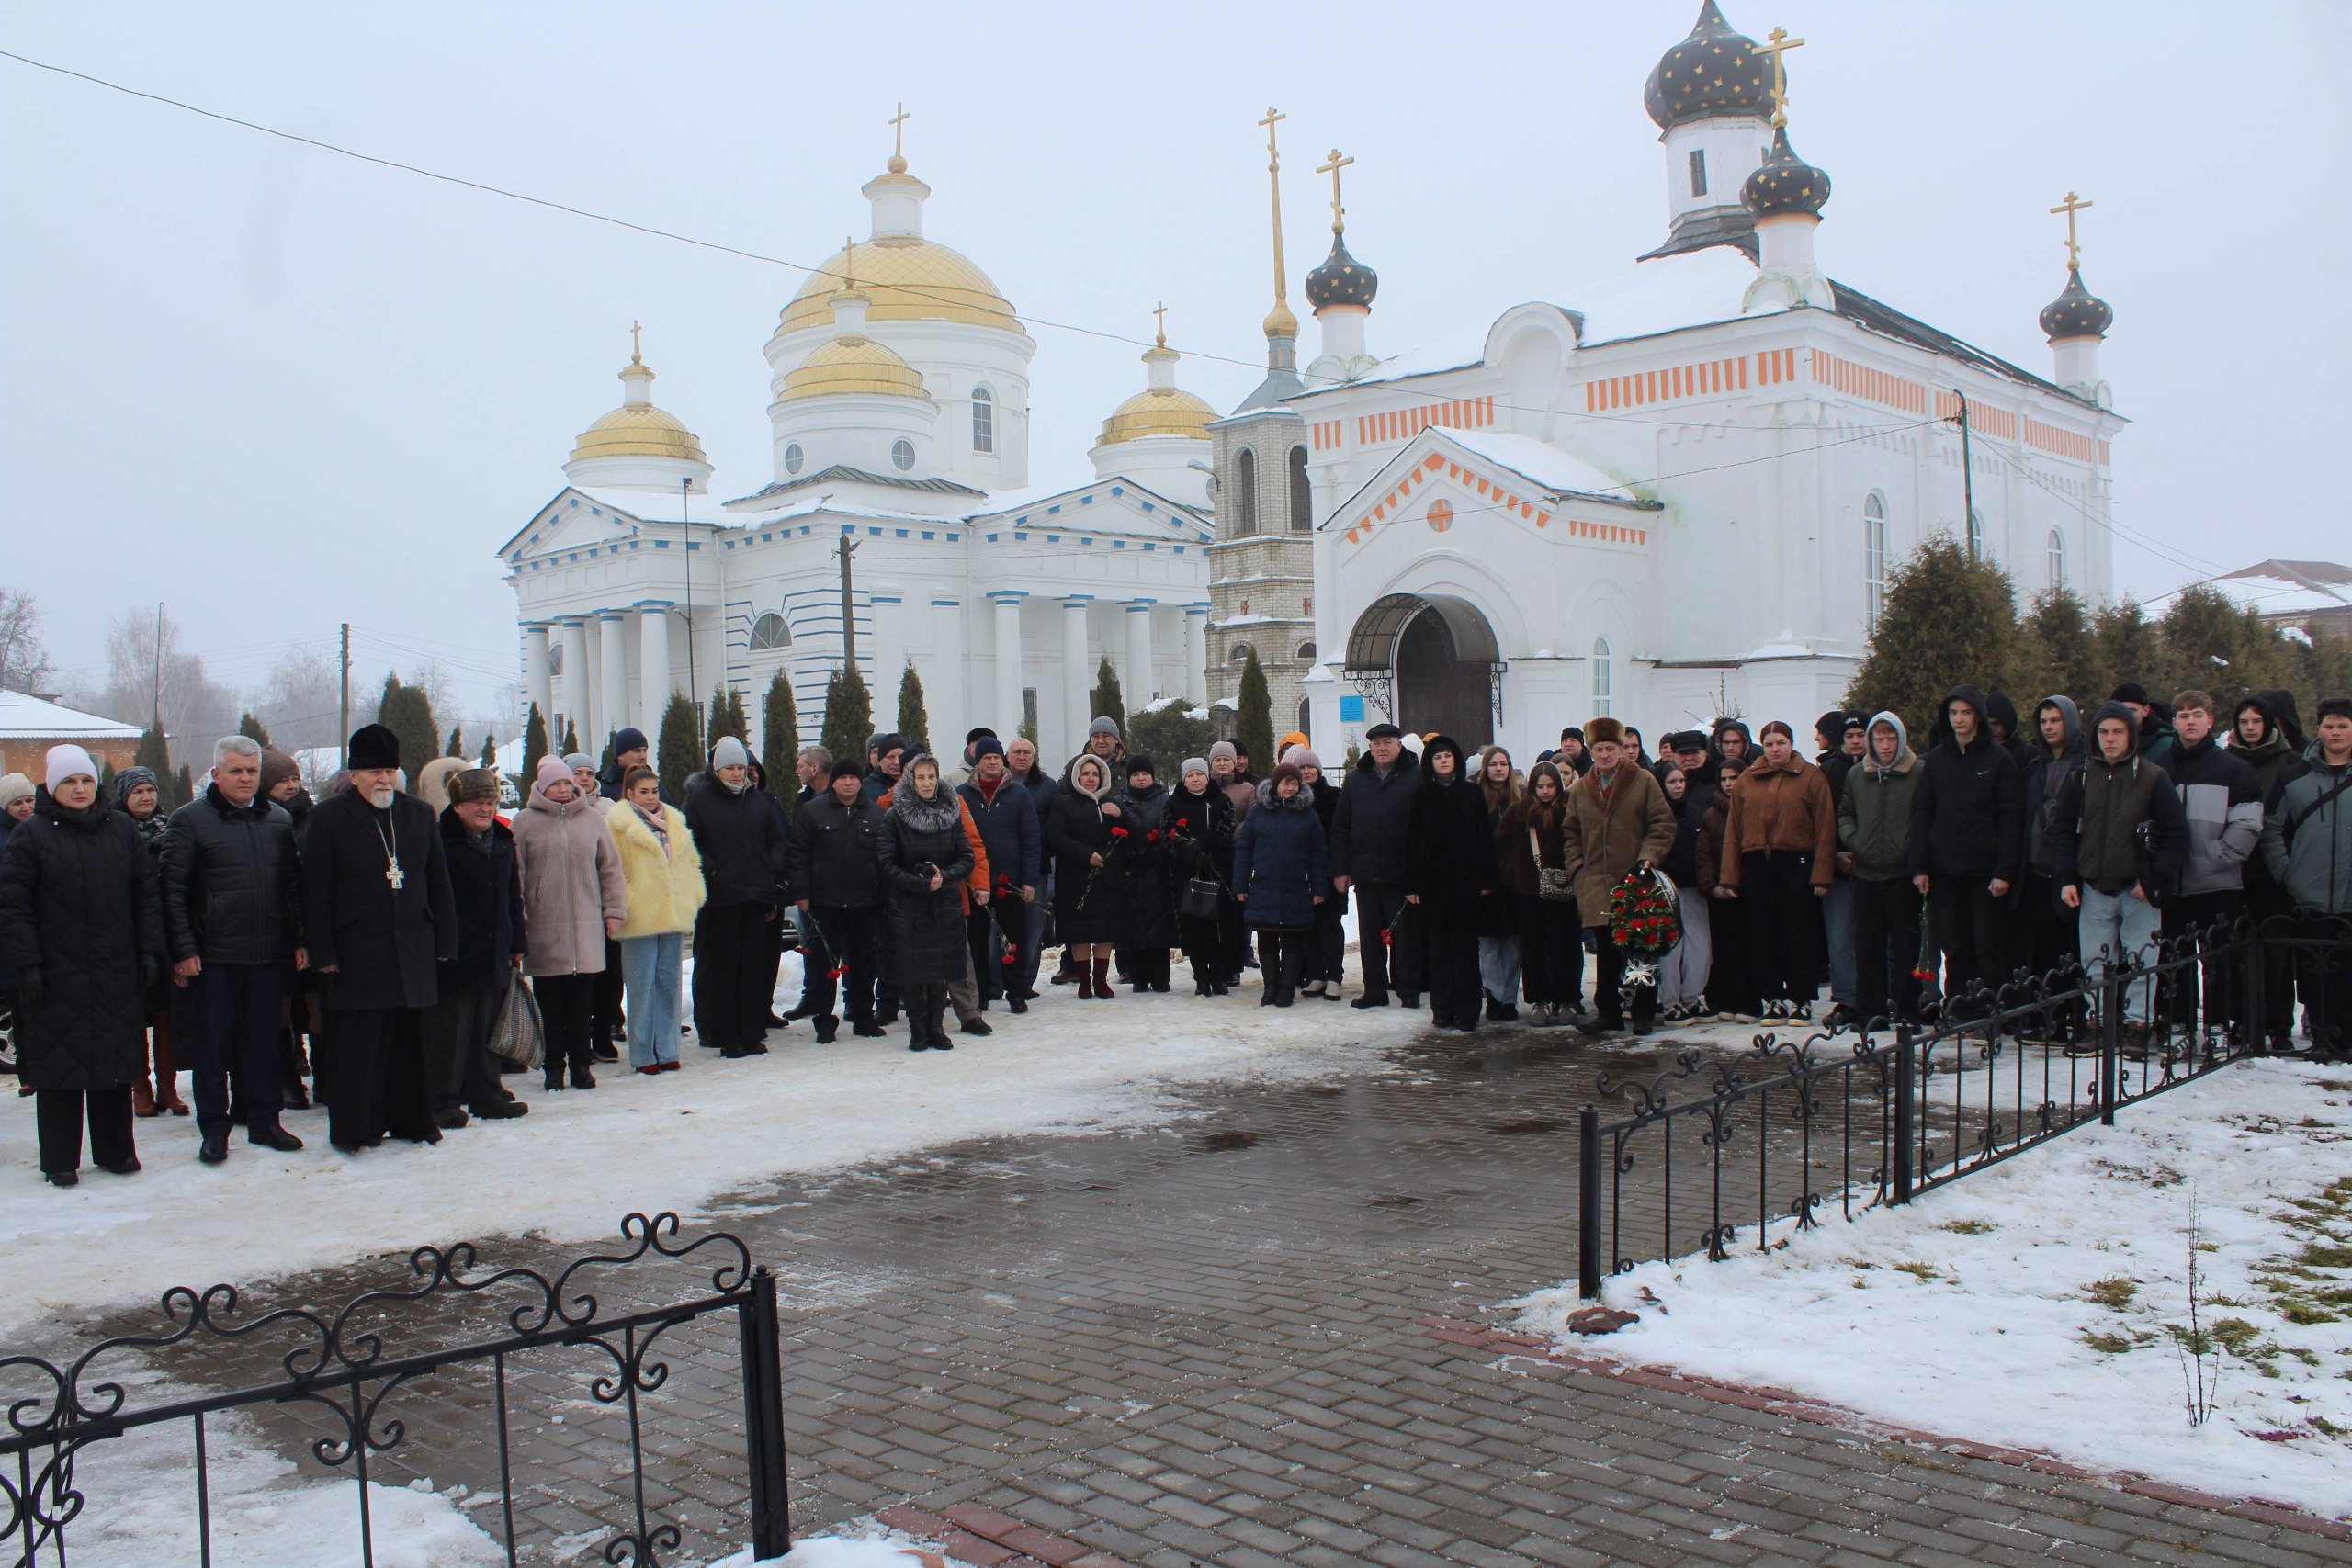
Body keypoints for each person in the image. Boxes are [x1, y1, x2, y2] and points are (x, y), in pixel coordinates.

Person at [0, 745, 165, 1185]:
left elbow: (145, 896)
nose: (79, 789)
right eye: (70, 782)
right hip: (56, 974)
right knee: (60, 1069)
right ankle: (59, 1160)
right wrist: (28, 965)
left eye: (86, 780)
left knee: (113, 1064)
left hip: (114, 969)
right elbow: (14, 907)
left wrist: (150, 951)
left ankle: (115, 1151)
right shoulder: (31, 835)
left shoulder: (121, 830)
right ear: (54, 786)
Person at [299, 724, 458, 1153]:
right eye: (373, 771)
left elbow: (437, 881)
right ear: (354, 775)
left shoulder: (418, 813)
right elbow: (315, 892)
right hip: (357, 952)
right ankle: (357, 1129)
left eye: (389, 769)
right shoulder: (329, 817)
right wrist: (324, 953)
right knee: (360, 1048)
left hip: (412, 949)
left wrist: (444, 943)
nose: (383, 779)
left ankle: (412, 1121)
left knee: (411, 1045)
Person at [159, 735, 309, 1163]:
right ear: (217, 774)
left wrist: (298, 938)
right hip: (213, 956)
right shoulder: (190, 821)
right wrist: (183, 949)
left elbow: (292, 887)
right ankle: (214, 1130)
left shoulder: (278, 821)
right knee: (213, 1047)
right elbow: (172, 890)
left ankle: (265, 1122)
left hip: (267, 955)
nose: (245, 778)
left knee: (264, 1044)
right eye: (237, 771)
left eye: (252, 771)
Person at [2051, 704, 2188, 1045]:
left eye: (2118, 732)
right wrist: (2066, 876)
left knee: (2142, 961)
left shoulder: (2154, 777)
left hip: (2138, 885)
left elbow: (2175, 832)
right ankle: (2098, 1023)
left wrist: (2156, 878)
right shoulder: (2081, 776)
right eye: (2103, 732)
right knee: (2095, 961)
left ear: (2131, 734)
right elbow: (2064, 830)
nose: (2110, 739)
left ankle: (2137, 1026)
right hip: (2094, 885)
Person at [1908, 685, 2024, 1015]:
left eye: (1966, 713)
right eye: (1953, 713)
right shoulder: (1933, 761)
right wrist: (1920, 867)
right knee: (1954, 945)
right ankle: (1959, 1006)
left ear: (1978, 716)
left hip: (1985, 871)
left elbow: (2010, 818)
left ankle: (1991, 1008)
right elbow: (1921, 815)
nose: (1959, 720)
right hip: (1945, 869)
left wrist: (2004, 870)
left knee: (1987, 943)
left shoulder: (1998, 760)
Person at [513, 755, 627, 1090]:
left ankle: (581, 1065)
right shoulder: (525, 822)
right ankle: (553, 1067)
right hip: (546, 930)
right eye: (556, 783)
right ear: (542, 787)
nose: (563, 789)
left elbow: (610, 868)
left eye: (567, 782)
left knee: (582, 1004)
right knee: (551, 1006)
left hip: (587, 928)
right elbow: (515, 877)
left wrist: (613, 911)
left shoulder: (591, 819)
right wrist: (519, 922)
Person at [1561, 718, 1678, 1037]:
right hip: (1597, 882)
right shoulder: (1582, 788)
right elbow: (1570, 833)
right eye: (1598, 749)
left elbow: (1662, 824)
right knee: (1608, 954)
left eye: (1610, 749)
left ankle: (1642, 1013)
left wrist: (1647, 859)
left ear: (1621, 750)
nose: (1604, 755)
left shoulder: (1643, 781)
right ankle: (1608, 1013)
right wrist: (1578, 868)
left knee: (1643, 949)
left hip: (1636, 880)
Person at [425, 766, 529, 1125]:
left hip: (494, 948)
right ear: (457, 806)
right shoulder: (440, 840)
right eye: (477, 803)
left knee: (489, 1027)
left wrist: (517, 939)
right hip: (456, 952)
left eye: (490, 802)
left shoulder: (502, 839)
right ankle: (444, 1099)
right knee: (452, 1030)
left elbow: (512, 895)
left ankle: (485, 1092)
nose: (485, 809)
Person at [1716, 720, 1837, 1021]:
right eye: (1769, 744)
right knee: (1762, 933)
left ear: (1792, 744)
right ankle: (1772, 997)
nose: (1775, 750)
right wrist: (1730, 876)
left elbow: (1824, 827)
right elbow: (1734, 830)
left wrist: (1822, 874)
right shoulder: (1748, 778)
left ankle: (1801, 997)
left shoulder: (1811, 777)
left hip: (1796, 862)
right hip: (1757, 863)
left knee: (1798, 933)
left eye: (1781, 743)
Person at [2163, 690, 2265, 1041]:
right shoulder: (2159, 766)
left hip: (2217, 882)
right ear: (2173, 722)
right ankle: (2179, 1024)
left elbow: (2249, 823)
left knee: (2218, 959)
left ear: (2210, 720)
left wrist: (2216, 857)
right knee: (2174, 959)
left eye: (2196, 714)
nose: (2190, 721)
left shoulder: (2234, 769)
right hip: (2171, 883)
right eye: (2183, 715)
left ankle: (2218, 1024)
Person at [684, 736, 788, 1059]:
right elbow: (691, 843)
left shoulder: (757, 801)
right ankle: (727, 1036)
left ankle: (751, 1031)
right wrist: (713, 870)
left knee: (752, 968)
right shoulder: (701, 801)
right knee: (724, 970)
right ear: (717, 770)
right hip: (721, 900)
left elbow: (775, 839)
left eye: (741, 768)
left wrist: (772, 869)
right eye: (729, 768)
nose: (736, 774)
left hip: (756, 895)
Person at [2259, 695, 2352, 1055]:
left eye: (2343, 725)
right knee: (2314, 975)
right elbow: (2271, 828)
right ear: (2319, 730)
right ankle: (2324, 1040)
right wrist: (2288, 873)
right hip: (2309, 895)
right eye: (2329, 725)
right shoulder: (2294, 775)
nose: (2336, 732)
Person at [602, 763, 703, 1070]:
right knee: (641, 985)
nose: (649, 797)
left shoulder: (674, 821)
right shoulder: (618, 824)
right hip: (639, 915)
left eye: (654, 791)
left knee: (669, 982)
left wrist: (692, 896)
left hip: (671, 912)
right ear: (629, 793)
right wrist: (623, 904)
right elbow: (612, 870)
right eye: (643, 792)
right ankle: (643, 1053)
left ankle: (668, 1048)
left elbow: (690, 862)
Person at [877, 753, 976, 1052]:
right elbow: (886, 862)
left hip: (944, 903)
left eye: (931, 776)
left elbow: (966, 857)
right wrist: (919, 883)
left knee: (940, 969)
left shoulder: (951, 812)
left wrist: (943, 878)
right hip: (907, 906)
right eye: (920, 777)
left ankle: (936, 1028)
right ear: (911, 780)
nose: (926, 782)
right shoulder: (895, 816)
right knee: (912, 970)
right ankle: (918, 1030)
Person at [787, 758, 889, 1039]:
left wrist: (882, 896)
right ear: (833, 781)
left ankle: (862, 1016)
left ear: (860, 782)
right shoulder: (812, 811)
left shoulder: (876, 814)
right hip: (824, 903)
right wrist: (802, 894)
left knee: (864, 964)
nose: (848, 783)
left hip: (864, 904)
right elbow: (798, 855)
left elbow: (884, 859)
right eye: (842, 778)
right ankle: (823, 1019)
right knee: (823, 966)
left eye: (853, 778)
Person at [1839, 713, 1926, 1028]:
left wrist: (1912, 848)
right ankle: (1870, 1013)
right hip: (1866, 874)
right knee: (1867, 948)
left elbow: (1925, 814)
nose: (1885, 745)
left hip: (1903, 874)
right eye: (1879, 738)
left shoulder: (1918, 772)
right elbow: (1845, 813)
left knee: (1906, 949)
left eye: (1891, 738)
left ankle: (1908, 1011)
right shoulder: (1857, 775)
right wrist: (1855, 840)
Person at [2234, 692, 2310, 1050]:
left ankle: (2279, 1024)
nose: (2250, 729)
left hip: (2274, 871)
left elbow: (2291, 819)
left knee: (2277, 952)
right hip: (2234, 869)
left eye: (2257, 722)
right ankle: (2244, 1020)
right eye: (2244, 722)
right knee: (2236, 950)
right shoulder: (2227, 760)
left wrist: (2285, 867)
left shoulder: (2292, 763)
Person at [1406, 735, 1497, 1032]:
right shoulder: (1422, 796)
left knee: (1466, 951)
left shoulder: (1471, 794)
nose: (1443, 760)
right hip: (1434, 886)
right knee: (1439, 950)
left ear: (1455, 758)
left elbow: (1484, 838)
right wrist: (1413, 884)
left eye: (1447, 755)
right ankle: (1442, 1009)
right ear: (1430, 763)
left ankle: (1468, 1009)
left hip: (1466, 885)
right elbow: (1411, 841)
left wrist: (1486, 878)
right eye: (1437, 756)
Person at [1331, 722, 1425, 1010]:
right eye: (1376, 744)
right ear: (1370, 748)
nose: (1382, 748)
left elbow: (1423, 830)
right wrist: (1341, 869)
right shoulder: (1356, 779)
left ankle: (1408, 989)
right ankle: (1374, 989)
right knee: (1371, 937)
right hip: (1366, 872)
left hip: (1402, 874)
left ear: (1399, 746)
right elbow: (1341, 826)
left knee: (1405, 936)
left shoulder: (1417, 778)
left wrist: (1419, 875)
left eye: (1387, 742)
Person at [113, 765, 188, 1119]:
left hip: (167, 934)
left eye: (150, 790)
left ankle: (168, 1088)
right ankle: (139, 1088)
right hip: (127, 939)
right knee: (131, 1019)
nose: (145, 797)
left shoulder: (170, 829)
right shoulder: (112, 831)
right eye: (137, 791)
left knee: (166, 1017)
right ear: (124, 797)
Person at [1230, 761, 1329, 1006]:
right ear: (1276, 784)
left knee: (1294, 940)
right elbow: (1244, 850)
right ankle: (1270, 987)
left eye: (1295, 783)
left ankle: (1286, 989)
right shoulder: (1258, 811)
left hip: (1297, 887)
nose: (1290, 788)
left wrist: (1318, 887)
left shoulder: (1309, 815)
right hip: (1264, 885)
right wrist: (1241, 885)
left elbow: (1318, 854)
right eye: (1286, 783)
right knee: (1267, 938)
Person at [956, 738, 1041, 1011]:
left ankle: (1016, 991)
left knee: (1013, 938)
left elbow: (1030, 839)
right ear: (977, 762)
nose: (991, 762)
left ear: (1002, 760)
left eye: (995, 757)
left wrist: (1028, 880)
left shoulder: (1018, 794)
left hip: (1010, 881)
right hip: (974, 882)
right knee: (977, 941)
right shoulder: (961, 795)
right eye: (986, 758)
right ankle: (980, 993)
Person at [1497, 760, 1583, 1026]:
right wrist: (1515, 874)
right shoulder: (1518, 813)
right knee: (1533, 947)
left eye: (1550, 786)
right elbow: (1502, 846)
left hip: (1564, 889)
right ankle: (1540, 1000)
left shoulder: (1571, 811)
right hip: (1528, 891)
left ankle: (1568, 998)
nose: (1546, 791)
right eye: (1540, 786)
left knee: (1565, 945)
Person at [2020, 696, 2087, 997]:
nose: (2049, 727)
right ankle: (2048, 1014)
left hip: (2072, 869)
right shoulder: (2035, 764)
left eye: (2055, 720)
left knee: (2071, 947)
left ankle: (2073, 1012)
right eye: (2044, 721)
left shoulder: (2087, 763)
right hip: (2036, 867)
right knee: (2042, 947)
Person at [1046, 753, 1125, 998]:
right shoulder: (1064, 803)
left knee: (1104, 930)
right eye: (1086, 774)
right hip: (1075, 877)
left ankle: (1101, 981)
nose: (1091, 778)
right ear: (1076, 777)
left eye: (1095, 774)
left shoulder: (1112, 803)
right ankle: (1083, 981)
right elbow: (1056, 837)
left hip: (1106, 877)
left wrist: (1121, 816)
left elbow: (1125, 837)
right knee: (1079, 931)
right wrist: (1085, 854)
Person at [1166, 757, 1237, 996]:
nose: (1195, 779)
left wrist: (1205, 844)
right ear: (1183, 779)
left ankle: (1218, 976)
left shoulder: (1221, 801)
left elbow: (1227, 828)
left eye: (1199, 775)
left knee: (1219, 927)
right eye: (1190, 776)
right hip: (1187, 874)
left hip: (1217, 872)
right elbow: (1169, 833)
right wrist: (1186, 848)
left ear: (1207, 777)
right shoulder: (1173, 803)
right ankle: (1201, 978)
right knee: (1193, 928)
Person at [1111, 756, 1178, 993]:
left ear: (1152, 776)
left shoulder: (1166, 801)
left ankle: (1161, 977)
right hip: (1131, 873)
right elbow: (1113, 837)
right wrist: (1130, 855)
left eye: (1145, 774)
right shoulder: (1119, 802)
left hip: (1158, 873)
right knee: (1134, 926)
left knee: (1159, 927)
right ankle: (1138, 976)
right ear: (1129, 777)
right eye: (1136, 774)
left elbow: (1171, 833)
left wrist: (1155, 853)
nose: (1141, 778)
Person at [1650, 763, 1712, 1021]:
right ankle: (1670, 1000)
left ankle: (1693, 996)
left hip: (1692, 885)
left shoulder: (1695, 812)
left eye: (1681, 781)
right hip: (1665, 886)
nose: (1678, 786)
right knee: (1670, 947)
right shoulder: (1656, 815)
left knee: (1700, 946)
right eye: (1672, 782)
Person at [1472, 745, 1525, 1021]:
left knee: (1513, 946)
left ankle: (1509, 998)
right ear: (1486, 768)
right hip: (1487, 882)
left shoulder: (1519, 799)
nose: (1499, 769)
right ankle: (1493, 996)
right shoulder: (1477, 798)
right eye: (1494, 764)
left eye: (1504, 764)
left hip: (1514, 884)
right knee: (1490, 945)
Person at [1004, 737, 1058, 1004]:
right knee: (998, 931)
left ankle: (1025, 981)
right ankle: (995, 982)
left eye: (1027, 752)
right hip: (1002, 871)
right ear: (1007, 756)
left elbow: (1053, 828)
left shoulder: (1047, 787)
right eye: (1017, 752)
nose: (1022, 757)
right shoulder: (995, 785)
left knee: (1032, 928)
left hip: (1036, 869)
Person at [1290, 749, 1346, 999]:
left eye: (1310, 767)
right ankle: (1316, 975)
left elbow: (1343, 835)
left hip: (1331, 870)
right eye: (1301, 769)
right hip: (1302, 873)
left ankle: (1334, 976)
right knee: (1308, 926)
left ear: (1319, 770)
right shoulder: (1294, 801)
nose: (1306, 771)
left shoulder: (1335, 797)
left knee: (1331, 924)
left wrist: (1342, 869)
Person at [2109, 682, 2177, 774]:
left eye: (2131, 710)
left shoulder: (2165, 747)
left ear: (2146, 711)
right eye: (2119, 710)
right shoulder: (2103, 745)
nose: (2125, 716)